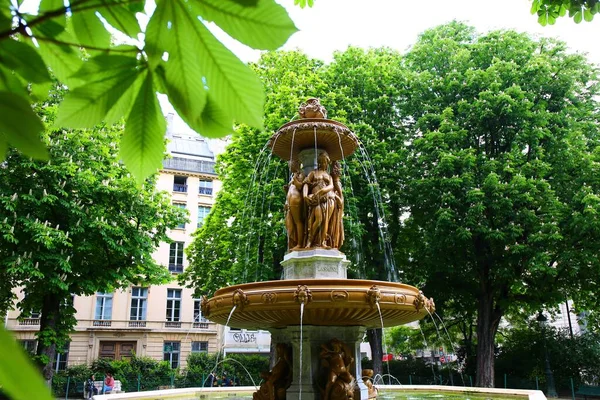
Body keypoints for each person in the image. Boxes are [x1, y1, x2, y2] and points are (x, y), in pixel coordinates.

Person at [303, 151, 336, 248]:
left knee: (326, 220)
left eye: (325, 162)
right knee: (318, 219)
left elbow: (331, 186)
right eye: (321, 161)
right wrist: (305, 195)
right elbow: (306, 184)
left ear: (327, 163)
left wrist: (322, 191)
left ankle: (322, 242)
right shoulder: (313, 173)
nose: (323, 164)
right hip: (315, 199)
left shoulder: (329, 176)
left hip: (327, 199)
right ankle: (310, 240)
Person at [284, 159, 306, 250]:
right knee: (290, 223)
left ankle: (300, 244)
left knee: (298, 222)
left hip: (296, 200)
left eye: (291, 165)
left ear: (296, 165)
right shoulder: (295, 174)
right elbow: (290, 189)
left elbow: (300, 186)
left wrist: (294, 180)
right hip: (290, 201)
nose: (290, 167)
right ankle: (294, 242)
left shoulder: (302, 173)